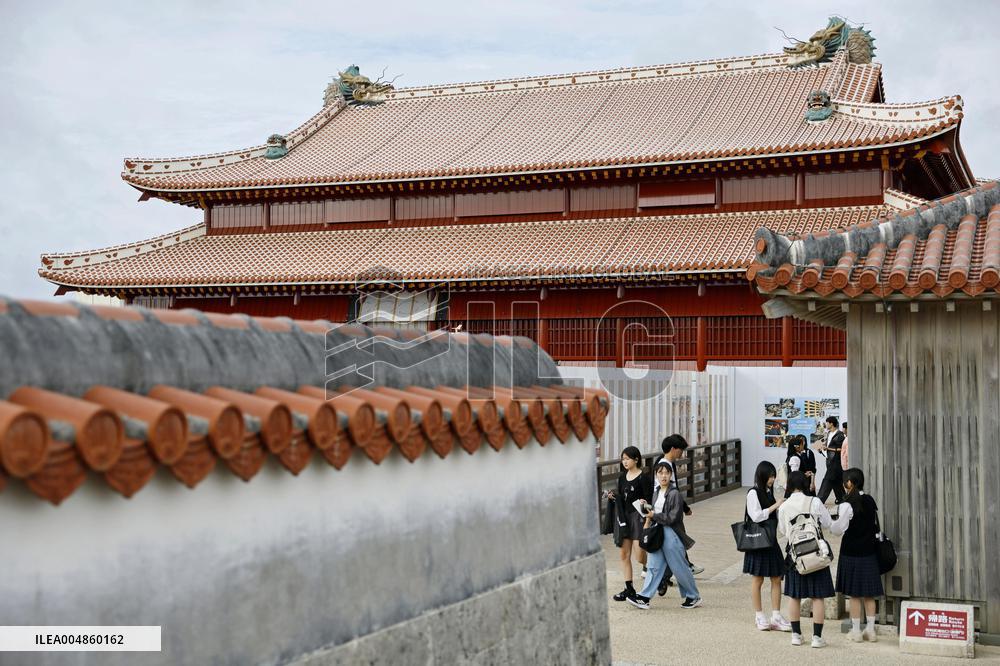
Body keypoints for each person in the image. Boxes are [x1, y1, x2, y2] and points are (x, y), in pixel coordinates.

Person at [778, 471, 851, 648]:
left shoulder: (784, 506)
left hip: (796, 556)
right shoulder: (815, 502)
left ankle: (796, 635)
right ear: (805, 484)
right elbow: (827, 524)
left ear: (789, 485)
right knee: (818, 597)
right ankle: (817, 638)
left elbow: (783, 531)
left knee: (794, 596)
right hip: (816, 554)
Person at [627, 460, 702, 610]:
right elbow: (655, 511)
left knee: (679, 566)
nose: (663, 476)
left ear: (671, 475)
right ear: (656, 475)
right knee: (653, 565)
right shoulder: (656, 493)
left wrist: (654, 515)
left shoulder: (674, 494)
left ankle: (693, 596)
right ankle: (644, 597)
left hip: (671, 533)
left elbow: (673, 517)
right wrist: (646, 506)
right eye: (660, 473)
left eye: (666, 473)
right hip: (658, 531)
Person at [835, 468, 883, 643]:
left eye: (844, 481)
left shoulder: (847, 504)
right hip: (869, 552)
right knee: (869, 594)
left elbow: (838, 529)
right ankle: (870, 631)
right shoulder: (869, 500)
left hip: (851, 552)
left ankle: (856, 631)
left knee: (854, 595)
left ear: (849, 483)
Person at [744, 461, 792, 631]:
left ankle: (776, 616)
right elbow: (756, 516)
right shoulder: (753, 493)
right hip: (759, 541)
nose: (772, 479)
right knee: (758, 579)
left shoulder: (767, 491)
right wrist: (775, 506)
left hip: (770, 540)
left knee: (777, 577)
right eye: (770, 476)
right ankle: (759, 616)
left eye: (773, 476)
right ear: (762, 475)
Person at [606, 446, 654, 602]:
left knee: (640, 556)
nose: (625, 462)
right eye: (623, 459)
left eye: (627, 459)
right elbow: (622, 496)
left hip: (638, 518)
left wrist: (647, 515)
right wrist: (614, 496)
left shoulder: (644, 477)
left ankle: (656, 569)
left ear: (636, 459)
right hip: (624, 519)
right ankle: (629, 588)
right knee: (624, 555)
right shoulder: (622, 477)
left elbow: (650, 501)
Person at [816, 417, 846, 504]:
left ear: (831, 423)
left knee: (827, 480)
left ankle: (819, 500)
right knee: (836, 482)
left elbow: (841, 449)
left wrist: (827, 448)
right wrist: (821, 450)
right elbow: (828, 447)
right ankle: (843, 500)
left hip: (836, 462)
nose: (826, 425)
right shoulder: (829, 433)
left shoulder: (840, 435)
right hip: (829, 460)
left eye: (827, 423)